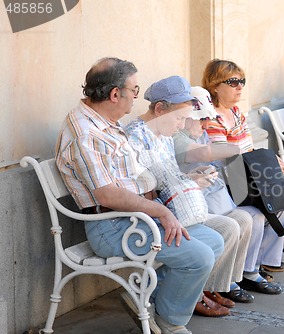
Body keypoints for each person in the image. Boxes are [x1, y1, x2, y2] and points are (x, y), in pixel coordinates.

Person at [55, 58, 224, 334]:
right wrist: (162, 211)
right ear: (114, 94)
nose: (136, 97)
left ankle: (148, 302)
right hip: (112, 226)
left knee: (213, 241)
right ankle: (170, 322)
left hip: (135, 218)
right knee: (199, 257)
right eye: (134, 90)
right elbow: (107, 195)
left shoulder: (106, 122)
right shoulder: (86, 133)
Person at [124, 76, 256, 317]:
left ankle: (174, 292)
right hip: (155, 217)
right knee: (218, 236)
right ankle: (169, 302)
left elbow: (166, 178)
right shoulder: (136, 137)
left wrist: (191, 178)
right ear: (160, 109)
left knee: (222, 233)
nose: (181, 125)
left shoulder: (161, 134)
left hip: (172, 210)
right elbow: (141, 190)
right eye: (179, 118)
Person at [202, 59, 284, 296]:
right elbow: (225, 159)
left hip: (246, 176)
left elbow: (248, 150)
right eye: (233, 82)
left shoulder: (236, 112)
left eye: (242, 81)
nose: (240, 87)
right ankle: (246, 273)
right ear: (214, 85)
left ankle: (258, 265)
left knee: (281, 203)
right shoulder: (211, 118)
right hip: (225, 181)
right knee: (257, 214)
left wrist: (271, 165)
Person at [172, 86, 257, 303]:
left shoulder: (197, 134)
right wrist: (237, 151)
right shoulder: (178, 137)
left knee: (247, 217)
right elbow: (206, 154)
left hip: (206, 199)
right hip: (189, 207)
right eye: (201, 119)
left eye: (208, 118)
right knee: (233, 224)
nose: (206, 123)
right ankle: (210, 286)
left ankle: (224, 282)